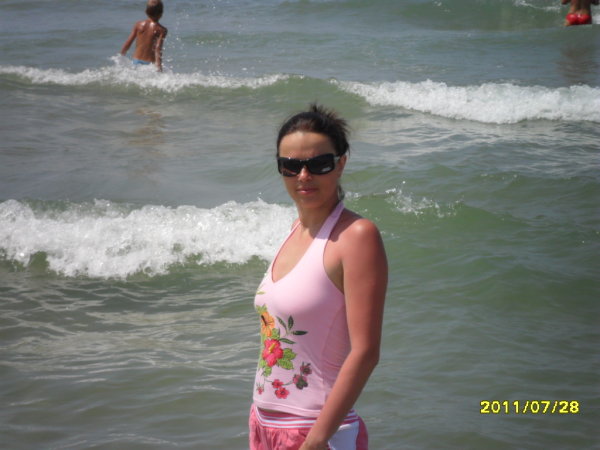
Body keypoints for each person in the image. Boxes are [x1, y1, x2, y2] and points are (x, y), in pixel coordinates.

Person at [249, 104, 388, 450]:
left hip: (315, 432)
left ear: (341, 164)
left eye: (319, 164)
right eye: (290, 166)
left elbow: (366, 351)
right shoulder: (294, 230)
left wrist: (316, 440)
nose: (303, 176)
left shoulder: (357, 236)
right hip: (264, 425)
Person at [120, 0, 168, 71]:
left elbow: (129, 42)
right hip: (150, 64)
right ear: (161, 14)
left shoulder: (138, 24)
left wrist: (121, 55)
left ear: (146, 12)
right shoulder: (162, 30)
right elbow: (158, 48)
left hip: (136, 60)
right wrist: (159, 66)